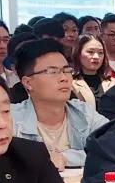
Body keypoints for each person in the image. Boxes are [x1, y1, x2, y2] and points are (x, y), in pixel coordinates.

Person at [10, 39, 107, 169]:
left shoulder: (84, 113)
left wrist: (65, 158)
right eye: (53, 72)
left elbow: (113, 148)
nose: (64, 78)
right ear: (28, 83)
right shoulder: (10, 119)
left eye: (66, 70)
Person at [71, 35, 115, 111]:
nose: (96, 57)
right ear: (78, 53)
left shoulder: (112, 82)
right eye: (90, 52)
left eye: (100, 53)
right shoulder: (70, 83)